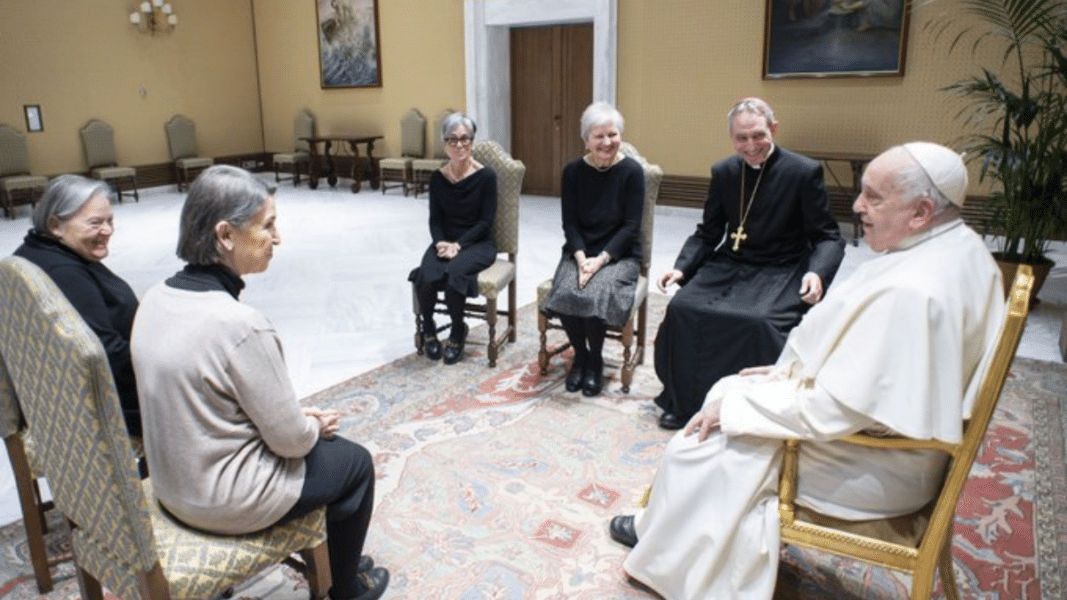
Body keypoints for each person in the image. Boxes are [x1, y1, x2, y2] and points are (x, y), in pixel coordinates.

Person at [609, 142, 1007, 600]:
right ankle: (665, 528)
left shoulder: (915, 291)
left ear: (920, 211)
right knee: (730, 384)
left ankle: (669, 553)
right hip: (889, 438)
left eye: (874, 197)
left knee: (701, 440)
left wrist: (741, 408)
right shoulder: (956, 246)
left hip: (874, 463)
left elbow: (833, 411)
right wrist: (786, 374)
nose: (857, 207)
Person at [130, 166, 388, 600]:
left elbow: (208, 404)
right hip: (221, 501)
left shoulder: (154, 298)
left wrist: (295, 419)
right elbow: (290, 441)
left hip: (171, 487)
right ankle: (344, 588)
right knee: (353, 463)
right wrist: (310, 426)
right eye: (268, 225)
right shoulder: (241, 325)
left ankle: (336, 554)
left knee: (329, 471)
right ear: (225, 235)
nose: (278, 237)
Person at [653, 97, 845, 430]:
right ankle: (681, 400)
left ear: (773, 129)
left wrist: (817, 272)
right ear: (732, 138)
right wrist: (682, 267)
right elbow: (708, 231)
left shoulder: (803, 171)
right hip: (731, 262)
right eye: (741, 138)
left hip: (782, 266)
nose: (750, 146)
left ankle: (754, 408)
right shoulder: (725, 171)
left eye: (758, 135)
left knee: (759, 322)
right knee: (683, 308)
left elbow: (828, 236)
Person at [13, 175, 141, 437]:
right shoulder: (65, 272)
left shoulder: (33, 250)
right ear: (55, 225)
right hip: (104, 407)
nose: (107, 230)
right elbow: (104, 353)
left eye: (110, 220)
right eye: (95, 223)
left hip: (73, 396)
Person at [542, 101, 644, 397]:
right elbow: (570, 224)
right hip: (579, 252)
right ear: (586, 139)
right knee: (565, 292)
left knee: (595, 293)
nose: (606, 142)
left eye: (612, 134)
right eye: (598, 136)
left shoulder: (632, 172)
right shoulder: (572, 171)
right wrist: (582, 259)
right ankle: (580, 356)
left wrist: (598, 262)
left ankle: (595, 359)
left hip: (619, 254)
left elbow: (630, 226)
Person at [409, 113, 498, 365]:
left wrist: (458, 246)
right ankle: (429, 328)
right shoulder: (438, 178)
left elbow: (485, 222)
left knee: (454, 275)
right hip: (445, 241)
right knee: (426, 273)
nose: (459, 145)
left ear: (472, 141)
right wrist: (440, 243)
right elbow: (435, 219)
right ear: (444, 143)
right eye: (453, 139)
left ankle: (458, 329)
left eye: (465, 139)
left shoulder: (487, 176)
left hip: (478, 243)